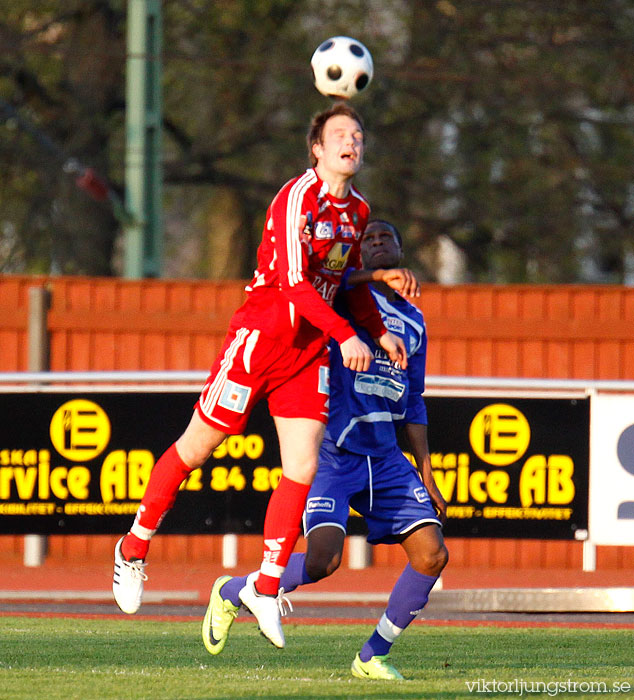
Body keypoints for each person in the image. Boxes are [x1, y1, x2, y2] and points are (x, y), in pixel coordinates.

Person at [113, 104, 418, 651]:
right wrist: (347, 338)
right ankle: (133, 548)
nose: (352, 141)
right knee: (197, 447)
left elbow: (346, 281)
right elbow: (298, 286)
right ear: (317, 150)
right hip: (260, 341)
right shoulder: (297, 197)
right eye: (340, 135)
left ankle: (266, 585)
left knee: (301, 465)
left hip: (307, 353)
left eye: (358, 135)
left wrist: (374, 330)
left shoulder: (358, 211)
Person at [202, 219, 448, 680]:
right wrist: (371, 278)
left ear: (399, 248)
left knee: (432, 554)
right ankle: (234, 590)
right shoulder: (347, 296)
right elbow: (320, 287)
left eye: (384, 238)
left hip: (386, 457)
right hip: (334, 450)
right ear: (361, 254)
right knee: (322, 561)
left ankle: (372, 655)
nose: (376, 243)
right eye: (368, 239)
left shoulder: (415, 322)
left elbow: (413, 400)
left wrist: (427, 474)